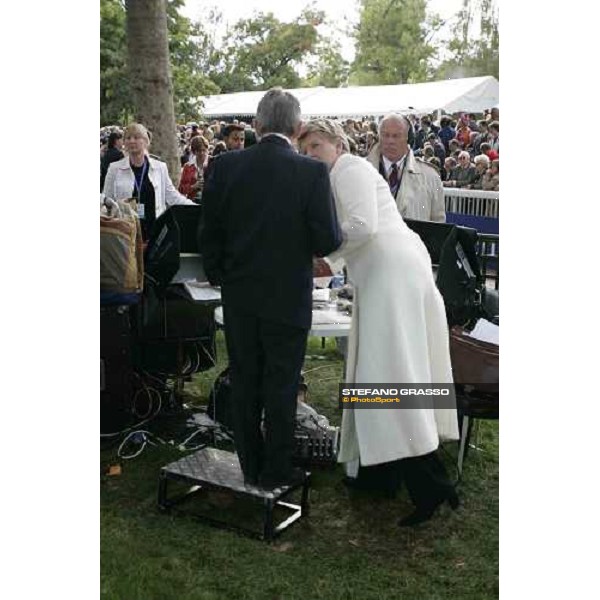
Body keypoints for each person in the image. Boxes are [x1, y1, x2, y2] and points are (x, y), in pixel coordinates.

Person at [299, 119, 459, 526]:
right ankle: (377, 469)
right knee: (373, 375)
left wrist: (323, 253)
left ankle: (431, 485)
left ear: (336, 144)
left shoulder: (349, 168)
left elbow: (362, 226)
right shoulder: (340, 172)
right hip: (385, 272)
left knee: (393, 376)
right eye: (304, 150)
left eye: (316, 145)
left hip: (391, 272)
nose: (310, 154)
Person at [200, 89, 342, 490]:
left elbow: (209, 229)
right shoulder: (310, 172)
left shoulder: (226, 166)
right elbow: (327, 239)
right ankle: (276, 470)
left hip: (241, 294)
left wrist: (218, 273)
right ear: (297, 129)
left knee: (245, 380)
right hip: (287, 295)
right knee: (281, 384)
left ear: (257, 125)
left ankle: (249, 465)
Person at [102, 123, 194, 239]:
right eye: (128, 138)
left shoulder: (160, 167)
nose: (132, 141)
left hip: (153, 232)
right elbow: (106, 200)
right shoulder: (114, 168)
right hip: (125, 234)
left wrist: (196, 206)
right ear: (124, 142)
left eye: (136, 137)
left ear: (146, 142)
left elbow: (173, 197)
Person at [367, 113, 445, 222]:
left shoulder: (431, 177)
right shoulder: (358, 174)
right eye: (385, 135)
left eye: (396, 136)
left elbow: (439, 223)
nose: (390, 141)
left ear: (408, 138)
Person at [178, 135, 209, 202]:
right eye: (198, 151)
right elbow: (181, 189)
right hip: (192, 202)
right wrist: (193, 186)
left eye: (204, 150)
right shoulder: (188, 166)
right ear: (194, 152)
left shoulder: (212, 163)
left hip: (209, 201)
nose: (202, 153)